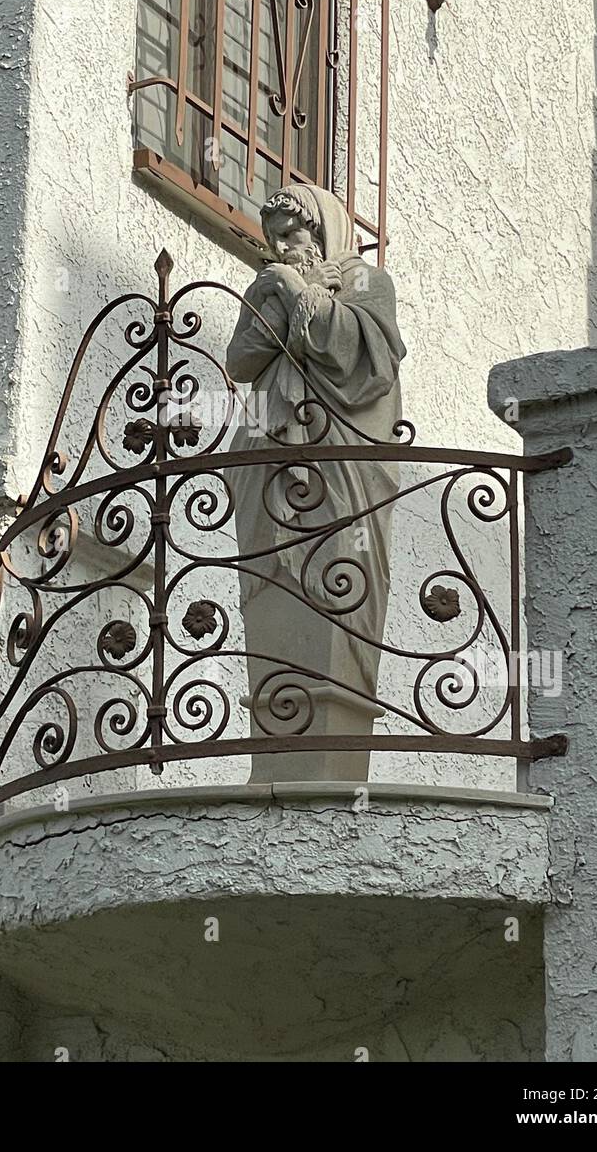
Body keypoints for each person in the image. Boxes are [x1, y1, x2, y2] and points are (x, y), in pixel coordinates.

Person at [225, 182, 406, 781]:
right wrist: (280, 291)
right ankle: (274, 750)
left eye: (292, 233)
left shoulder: (365, 282)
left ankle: (331, 756)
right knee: (271, 575)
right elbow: (240, 360)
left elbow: (359, 358)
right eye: (273, 238)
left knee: (339, 581)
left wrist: (295, 291)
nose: (280, 247)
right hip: (270, 454)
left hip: (342, 462)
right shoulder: (269, 287)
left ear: (323, 230)